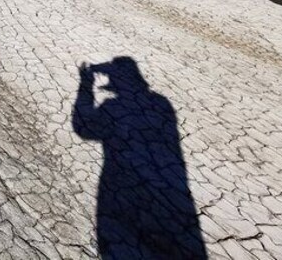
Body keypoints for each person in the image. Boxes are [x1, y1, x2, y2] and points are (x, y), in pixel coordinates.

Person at [72, 57, 207, 259]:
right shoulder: (161, 104)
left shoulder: (112, 107)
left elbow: (84, 128)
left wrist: (86, 84)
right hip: (169, 195)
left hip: (123, 191)